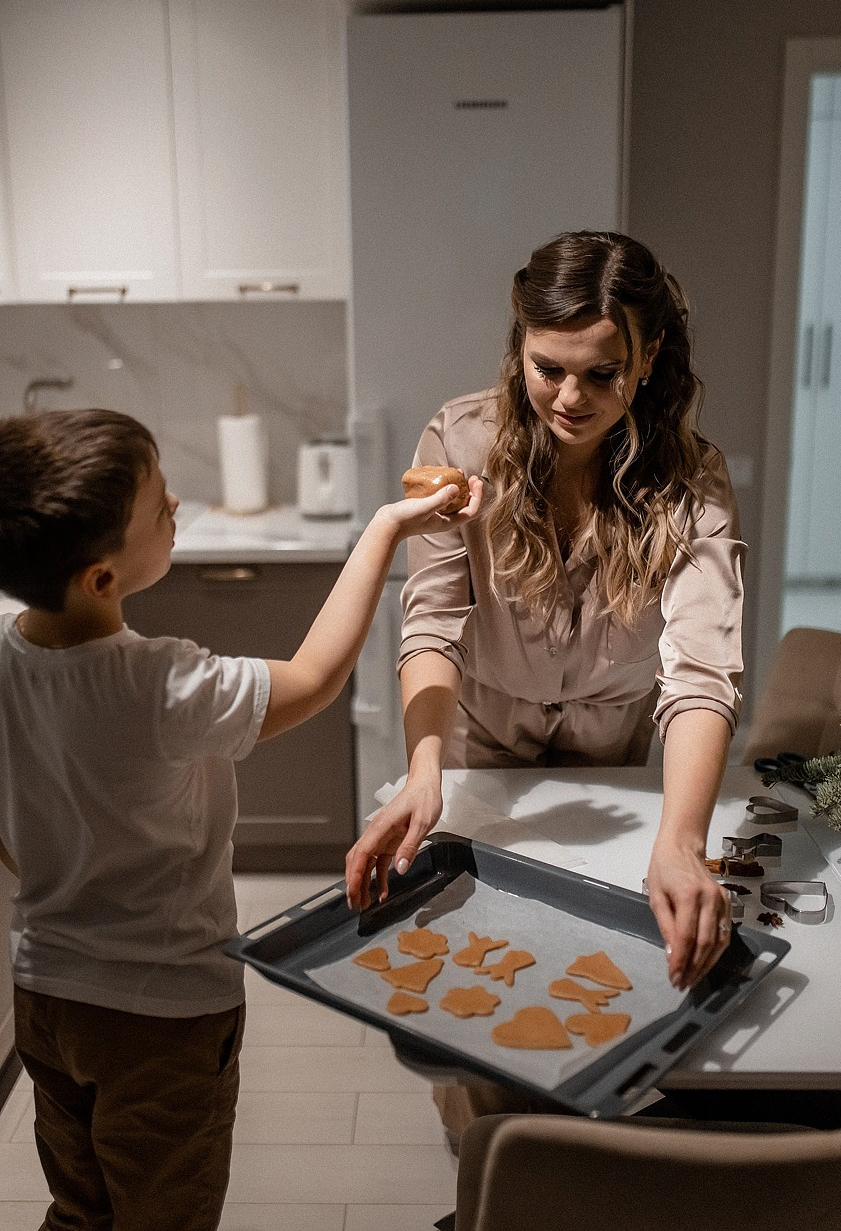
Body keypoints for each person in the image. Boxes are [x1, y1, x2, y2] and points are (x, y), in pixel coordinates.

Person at [0, 407, 482, 1231]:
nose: (179, 504)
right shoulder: (160, 685)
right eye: (160, 505)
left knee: (79, 1208)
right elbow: (317, 675)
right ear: (101, 579)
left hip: (46, 993)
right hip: (163, 1015)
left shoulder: (7, 658)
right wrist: (385, 530)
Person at [346, 229, 744, 996]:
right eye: (547, 369)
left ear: (650, 354)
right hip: (478, 755)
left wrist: (681, 842)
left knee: (598, 970)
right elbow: (430, 622)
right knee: (472, 976)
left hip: (614, 768)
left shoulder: (693, 479)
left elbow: (699, 674)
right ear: (519, 345)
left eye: (603, 374)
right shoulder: (461, 440)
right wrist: (422, 771)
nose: (570, 398)